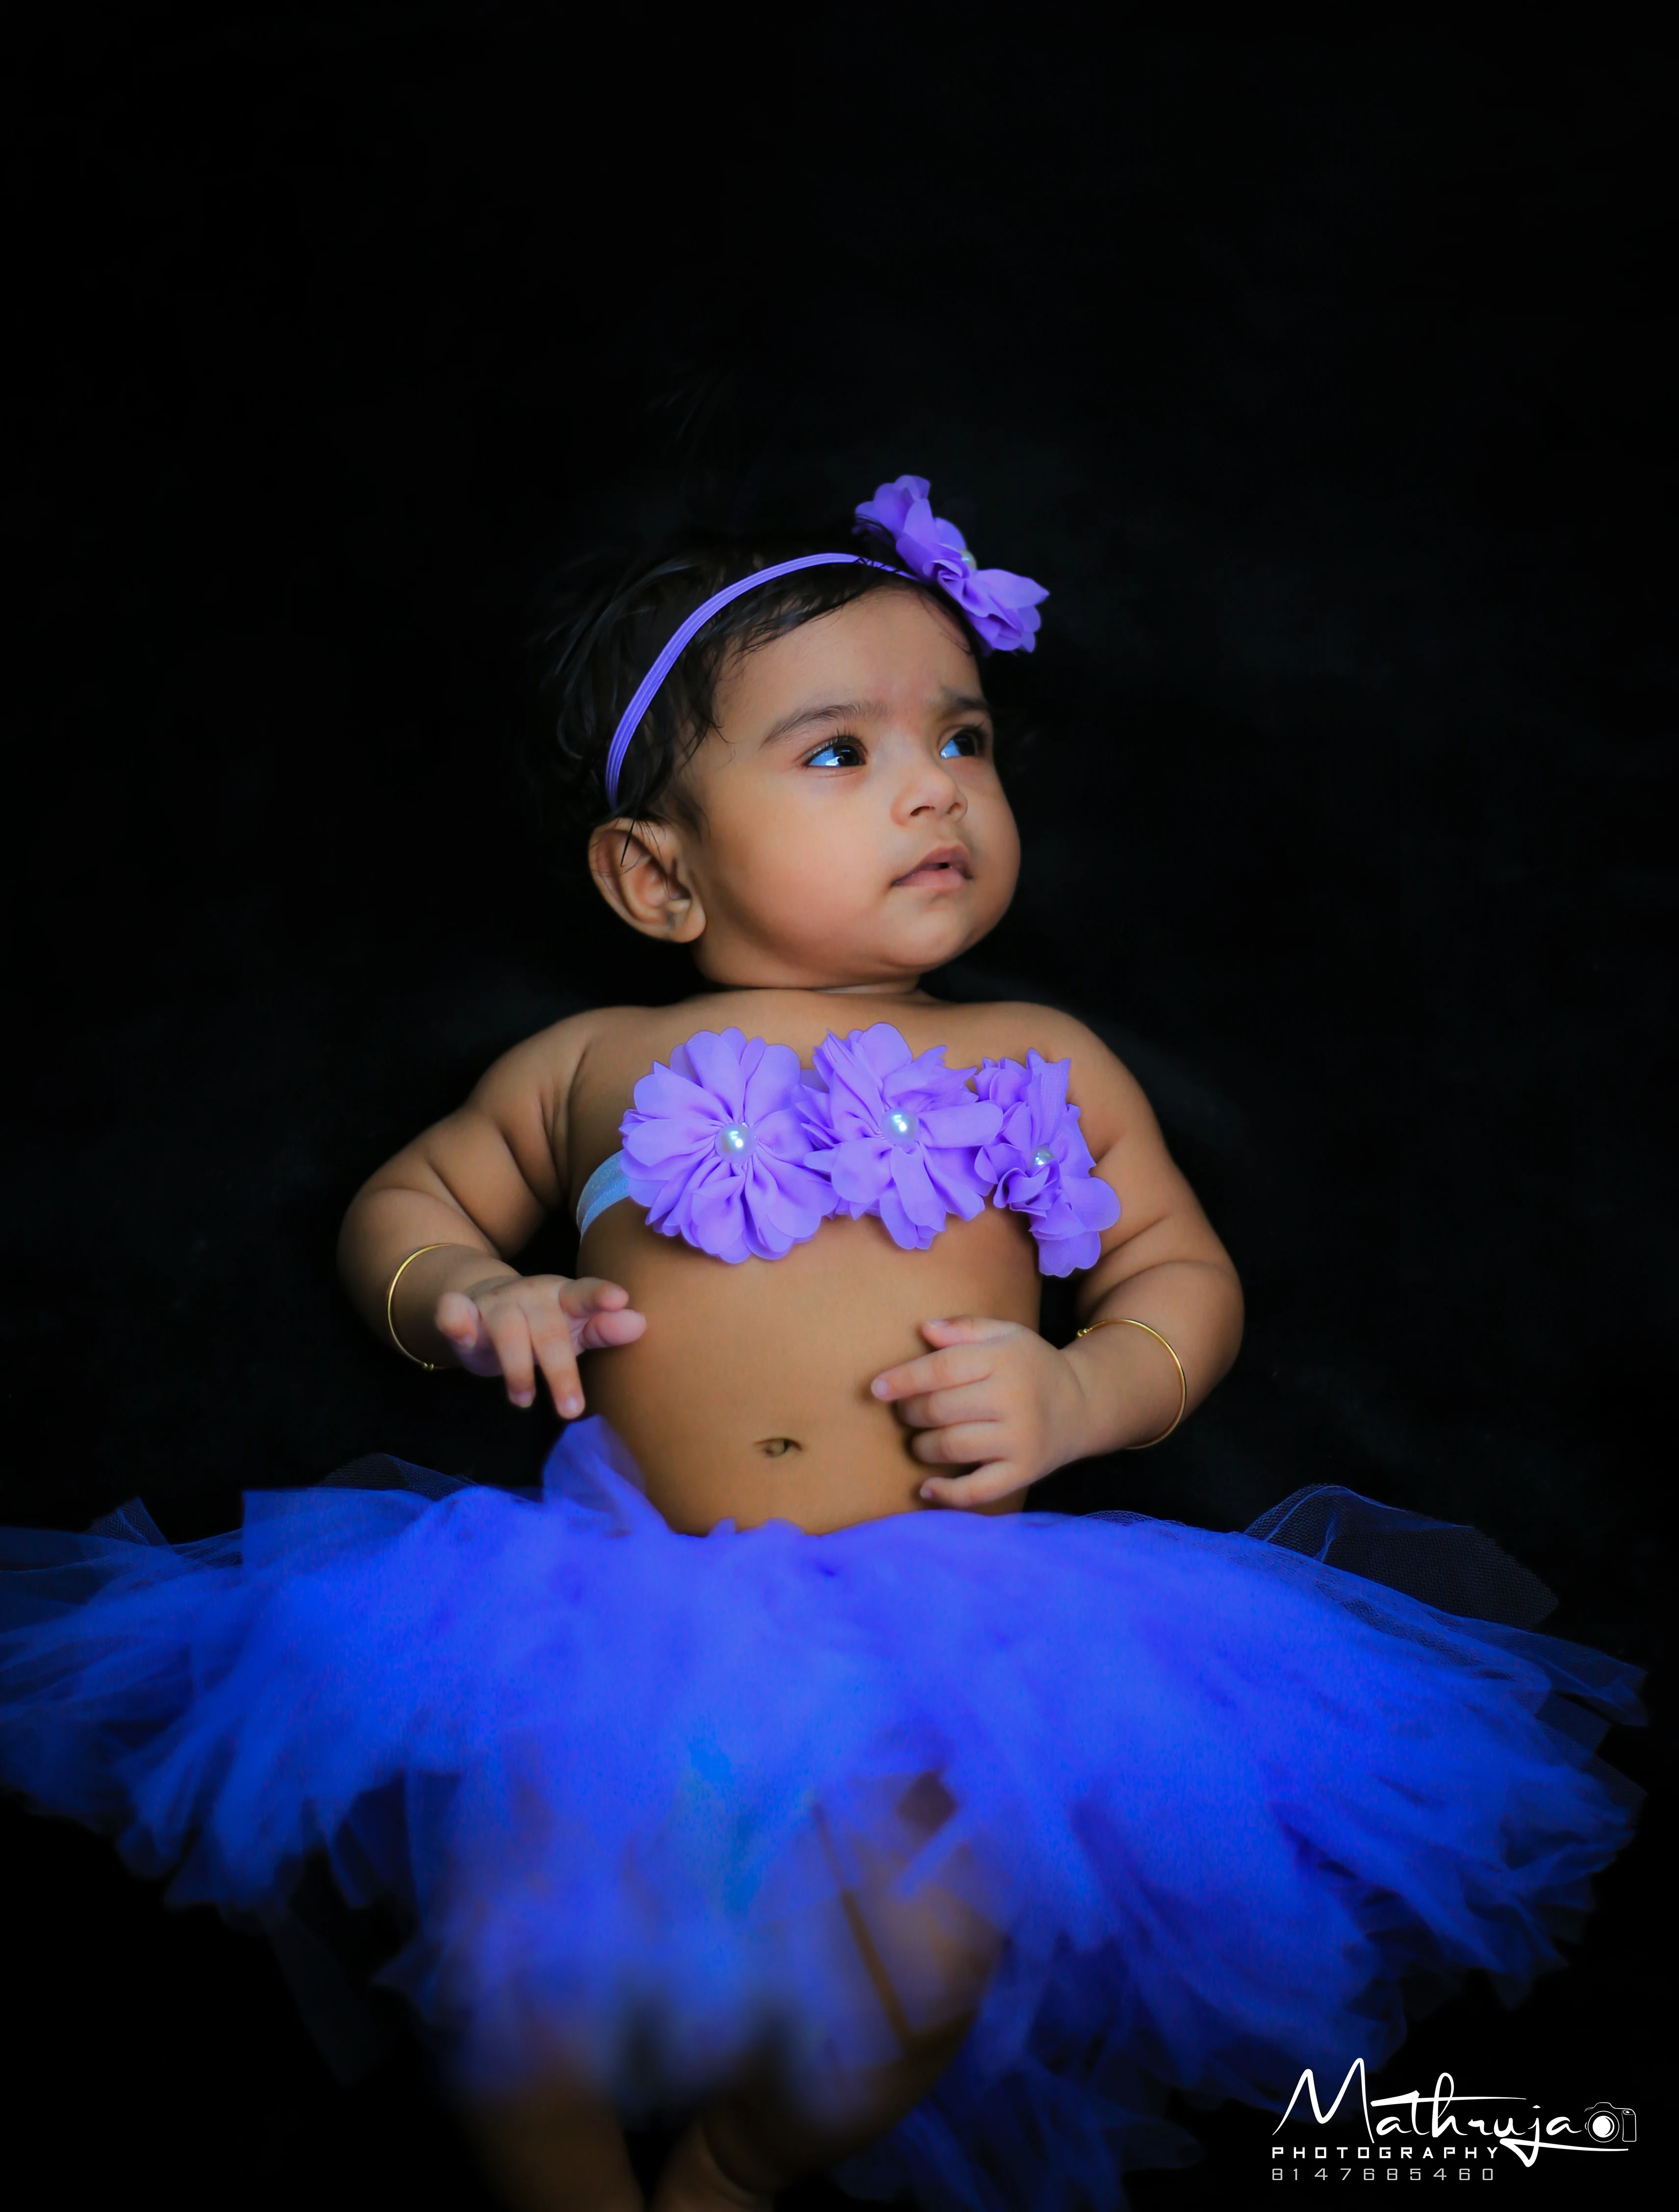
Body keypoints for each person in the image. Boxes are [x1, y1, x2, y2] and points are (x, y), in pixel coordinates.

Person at [0, 479, 1643, 2212]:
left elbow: (1180, 1271)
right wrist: (470, 1296)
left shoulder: (1041, 1055)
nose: (938, 786)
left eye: (965, 738)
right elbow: (405, 1203)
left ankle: (729, 2176)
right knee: (508, 1970)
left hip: (954, 1627)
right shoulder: (591, 1062)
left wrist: (1086, 1387)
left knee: (926, 1962)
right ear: (656, 874)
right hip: (612, 1605)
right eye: (842, 752)